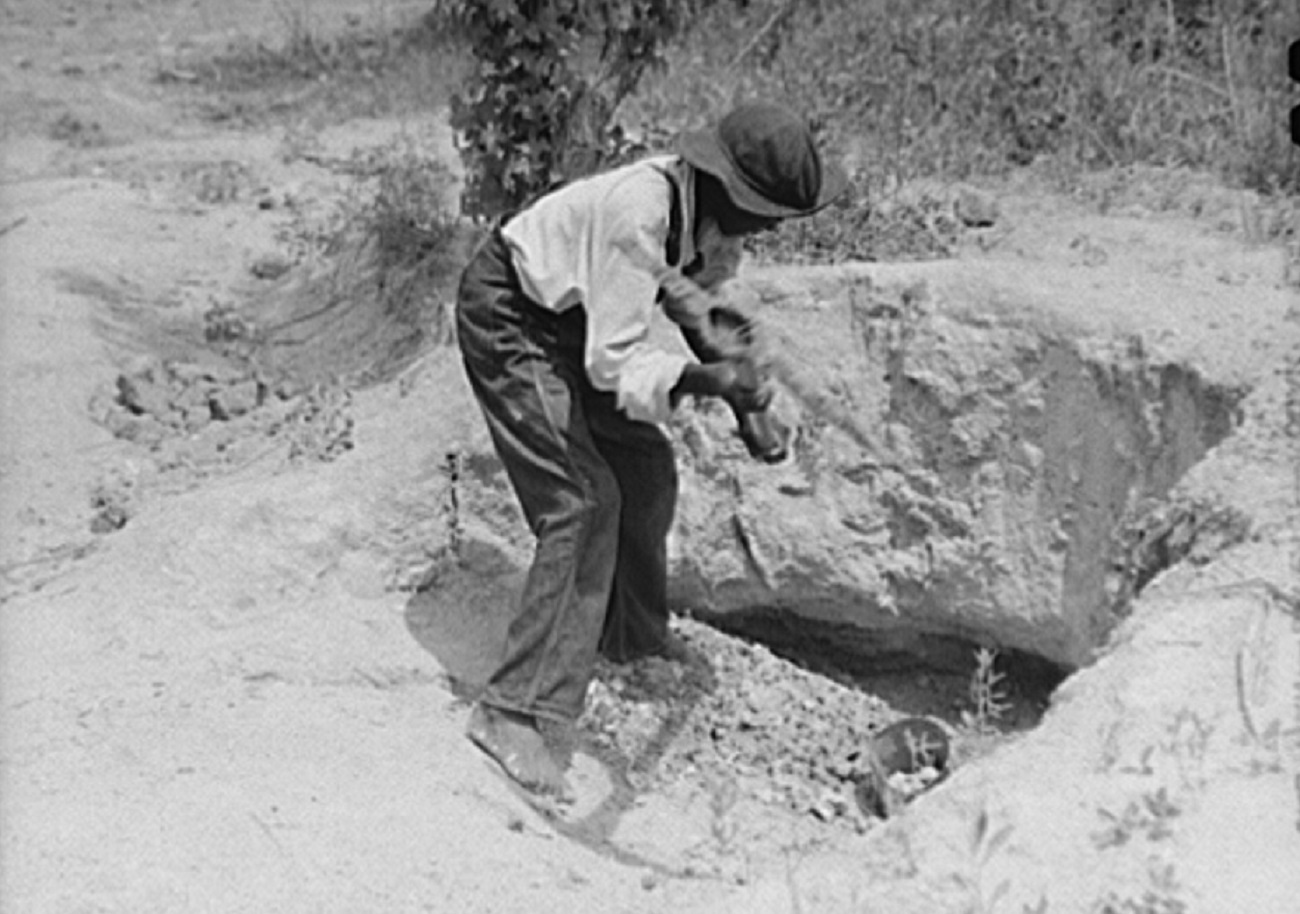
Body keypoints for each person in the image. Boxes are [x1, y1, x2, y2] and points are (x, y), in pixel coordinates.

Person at [454, 101, 848, 799]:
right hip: (514, 316)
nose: (769, 231)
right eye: (768, 214)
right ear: (730, 189)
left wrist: (744, 403)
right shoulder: (641, 215)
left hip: (567, 323)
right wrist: (709, 382)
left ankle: (626, 639)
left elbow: (696, 310)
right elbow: (613, 366)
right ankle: (513, 709)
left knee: (645, 469)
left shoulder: (701, 215)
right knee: (581, 501)